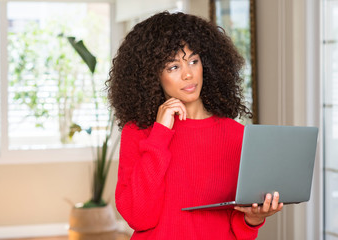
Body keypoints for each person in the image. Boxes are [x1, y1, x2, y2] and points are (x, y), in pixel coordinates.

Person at [106, 11, 283, 239]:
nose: (188, 74)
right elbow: (139, 218)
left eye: (193, 61)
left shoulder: (237, 136)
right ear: (152, 75)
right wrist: (160, 135)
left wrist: (254, 219)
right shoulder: (140, 132)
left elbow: (237, 228)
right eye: (173, 67)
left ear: (206, 64)